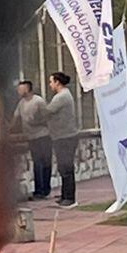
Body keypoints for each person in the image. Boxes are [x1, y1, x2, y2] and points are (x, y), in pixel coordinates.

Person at [8, 80, 52, 199]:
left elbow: (47, 117)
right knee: (37, 163)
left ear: (27, 89)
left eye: (20, 89)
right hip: (32, 137)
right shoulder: (21, 103)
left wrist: (36, 122)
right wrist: (7, 130)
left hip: (43, 136)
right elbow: (15, 118)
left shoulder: (38, 101)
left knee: (45, 163)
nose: (18, 91)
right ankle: (39, 191)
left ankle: (44, 190)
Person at [46, 71, 79, 207]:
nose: (50, 85)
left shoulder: (61, 97)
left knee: (66, 167)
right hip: (63, 136)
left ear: (57, 82)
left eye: (51, 82)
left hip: (65, 137)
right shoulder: (64, 95)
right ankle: (65, 195)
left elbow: (47, 111)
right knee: (63, 167)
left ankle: (69, 198)